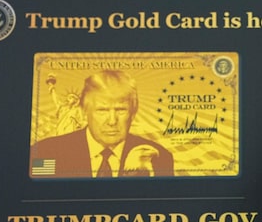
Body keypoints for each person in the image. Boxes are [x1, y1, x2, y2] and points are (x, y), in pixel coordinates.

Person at [31, 69, 174, 178]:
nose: (112, 121)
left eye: (120, 110)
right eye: (102, 110)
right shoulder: (46, 152)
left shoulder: (160, 157)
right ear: (84, 112)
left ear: (133, 113)